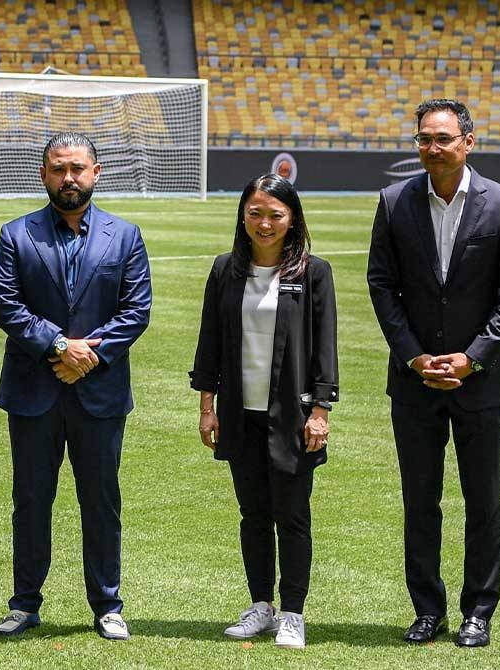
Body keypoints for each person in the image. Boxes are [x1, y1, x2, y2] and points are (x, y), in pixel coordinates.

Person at [367, 99, 500, 648]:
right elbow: (381, 286)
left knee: (482, 499)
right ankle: (427, 609)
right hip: (413, 382)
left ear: (468, 141)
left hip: (480, 382)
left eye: (442, 138)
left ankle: (478, 611)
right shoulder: (394, 202)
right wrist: (415, 356)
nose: (432, 148)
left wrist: (473, 355)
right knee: (420, 499)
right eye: (423, 139)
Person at [0, 132, 152, 641]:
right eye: (59, 169)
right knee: (31, 500)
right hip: (34, 392)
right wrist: (61, 347)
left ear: (96, 173)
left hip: (98, 393)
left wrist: (90, 355)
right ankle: (24, 603)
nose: (69, 178)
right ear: (44, 175)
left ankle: (107, 604)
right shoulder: (16, 234)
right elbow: (7, 306)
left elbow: (136, 310)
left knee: (101, 501)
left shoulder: (125, 236)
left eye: (78, 168)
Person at [190, 173, 338, 650]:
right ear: (243, 216)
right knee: (253, 514)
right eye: (255, 213)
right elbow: (208, 344)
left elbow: (325, 353)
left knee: (292, 516)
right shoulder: (224, 270)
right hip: (239, 414)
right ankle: (261, 605)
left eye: (276, 214)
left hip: (293, 418)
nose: (265, 223)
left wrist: (321, 413)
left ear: (292, 219)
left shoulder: (314, 273)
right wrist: (207, 407)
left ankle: (293, 613)